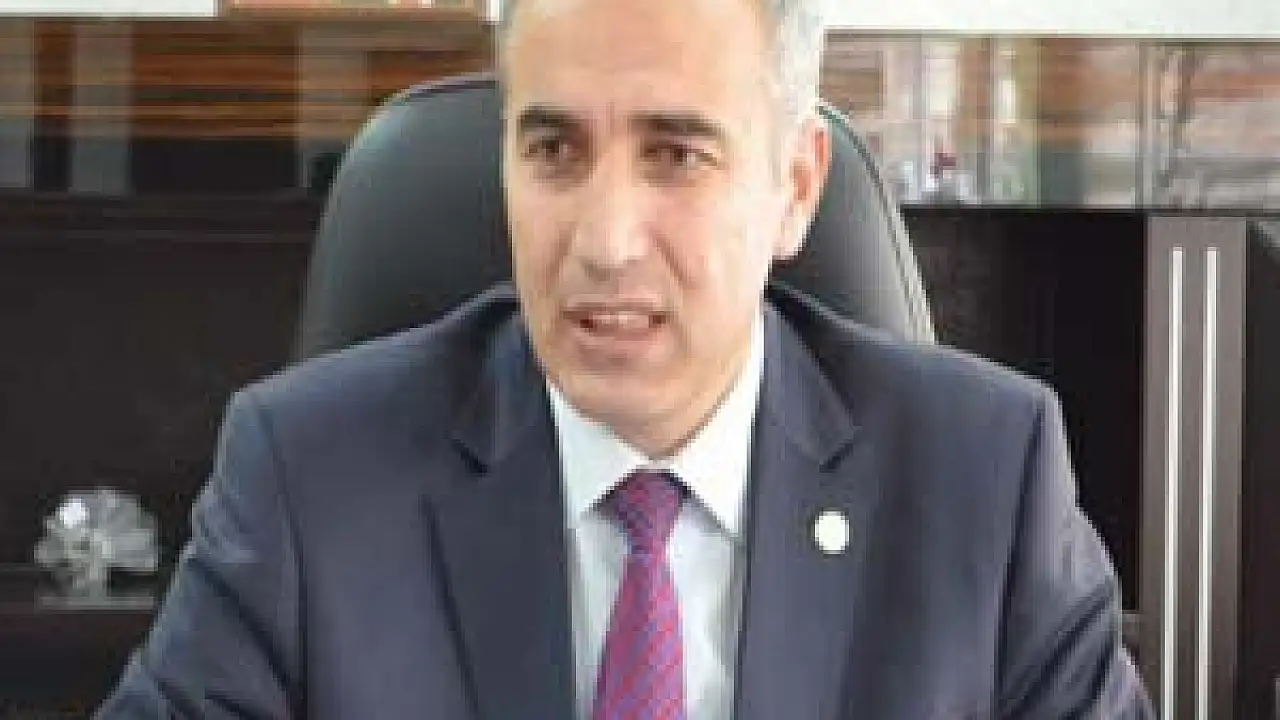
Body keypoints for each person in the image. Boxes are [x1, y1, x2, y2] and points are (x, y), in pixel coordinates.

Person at [97, 0, 1154, 717]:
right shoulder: (308, 478)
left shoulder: (984, 479)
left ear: (793, 185)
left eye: (675, 154)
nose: (604, 242)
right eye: (553, 150)